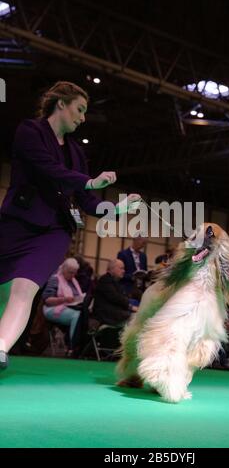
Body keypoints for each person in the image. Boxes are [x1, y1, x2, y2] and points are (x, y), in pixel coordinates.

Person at [0, 80, 140, 370]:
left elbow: (86, 201)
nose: (83, 117)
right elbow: (48, 169)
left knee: (24, 289)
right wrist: (88, 181)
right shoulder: (30, 131)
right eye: (80, 109)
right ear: (61, 104)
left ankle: (0, 348)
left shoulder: (77, 152)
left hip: (54, 230)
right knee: (3, 293)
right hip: (16, 224)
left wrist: (116, 210)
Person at [42, 258, 84, 356]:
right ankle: (72, 346)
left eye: (74, 273)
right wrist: (64, 300)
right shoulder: (55, 279)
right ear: (64, 269)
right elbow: (47, 300)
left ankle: (78, 346)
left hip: (70, 308)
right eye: (70, 272)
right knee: (77, 316)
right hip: (52, 309)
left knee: (82, 315)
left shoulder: (73, 281)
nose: (73, 275)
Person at [92, 259, 138, 327]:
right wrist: (130, 307)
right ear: (112, 269)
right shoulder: (105, 280)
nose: (124, 271)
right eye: (121, 268)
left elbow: (121, 297)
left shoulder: (113, 281)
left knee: (135, 315)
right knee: (135, 318)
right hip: (105, 314)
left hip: (111, 311)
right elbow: (115, 297)